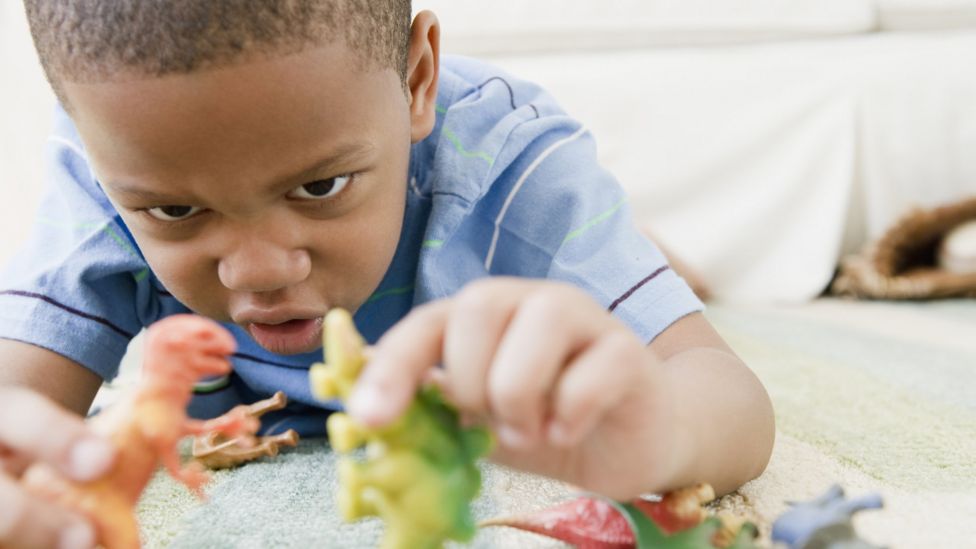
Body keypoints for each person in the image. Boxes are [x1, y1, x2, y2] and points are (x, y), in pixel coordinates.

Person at [0, 1, 775, 547]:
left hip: (498, 209)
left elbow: (729, 397)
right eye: (176, 211)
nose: (261, 271)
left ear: (417, 81)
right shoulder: (103, 175)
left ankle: (642, 258)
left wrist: (659, 429)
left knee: (603, 266)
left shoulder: (510, 166)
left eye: (320, 186)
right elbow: (15, 400)